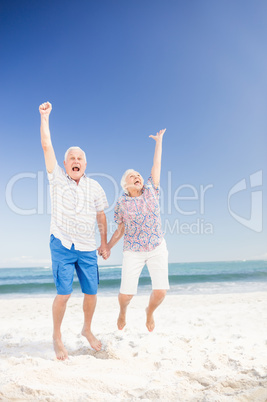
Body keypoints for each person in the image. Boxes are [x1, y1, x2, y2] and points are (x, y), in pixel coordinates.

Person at [39, 101, 110, 360]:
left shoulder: (95, 187)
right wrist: (45, 118)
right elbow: (47, 145)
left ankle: (86, 329)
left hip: (87, 246)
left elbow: (101, 215)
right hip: (62, 243)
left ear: (85, 164)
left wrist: (104, 243)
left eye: (80, 158)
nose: (76, 161)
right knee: (64, 293)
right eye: (72, 158)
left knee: (92, 292)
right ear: (65, 163)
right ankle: (57, 336)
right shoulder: (56, 178)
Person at [104, 129, 169, 332]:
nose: (137, 177)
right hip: (133, 250)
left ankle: (149, 312)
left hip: (157, 246)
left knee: (160, 292)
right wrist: (107, 246)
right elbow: (120, 229)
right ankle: (123, 312)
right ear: (126, 184)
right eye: (132, 177)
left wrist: (158, 142)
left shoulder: (151, 189)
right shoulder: (121, 203)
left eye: (138, 175)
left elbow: (156, 166)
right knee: (126, 295)